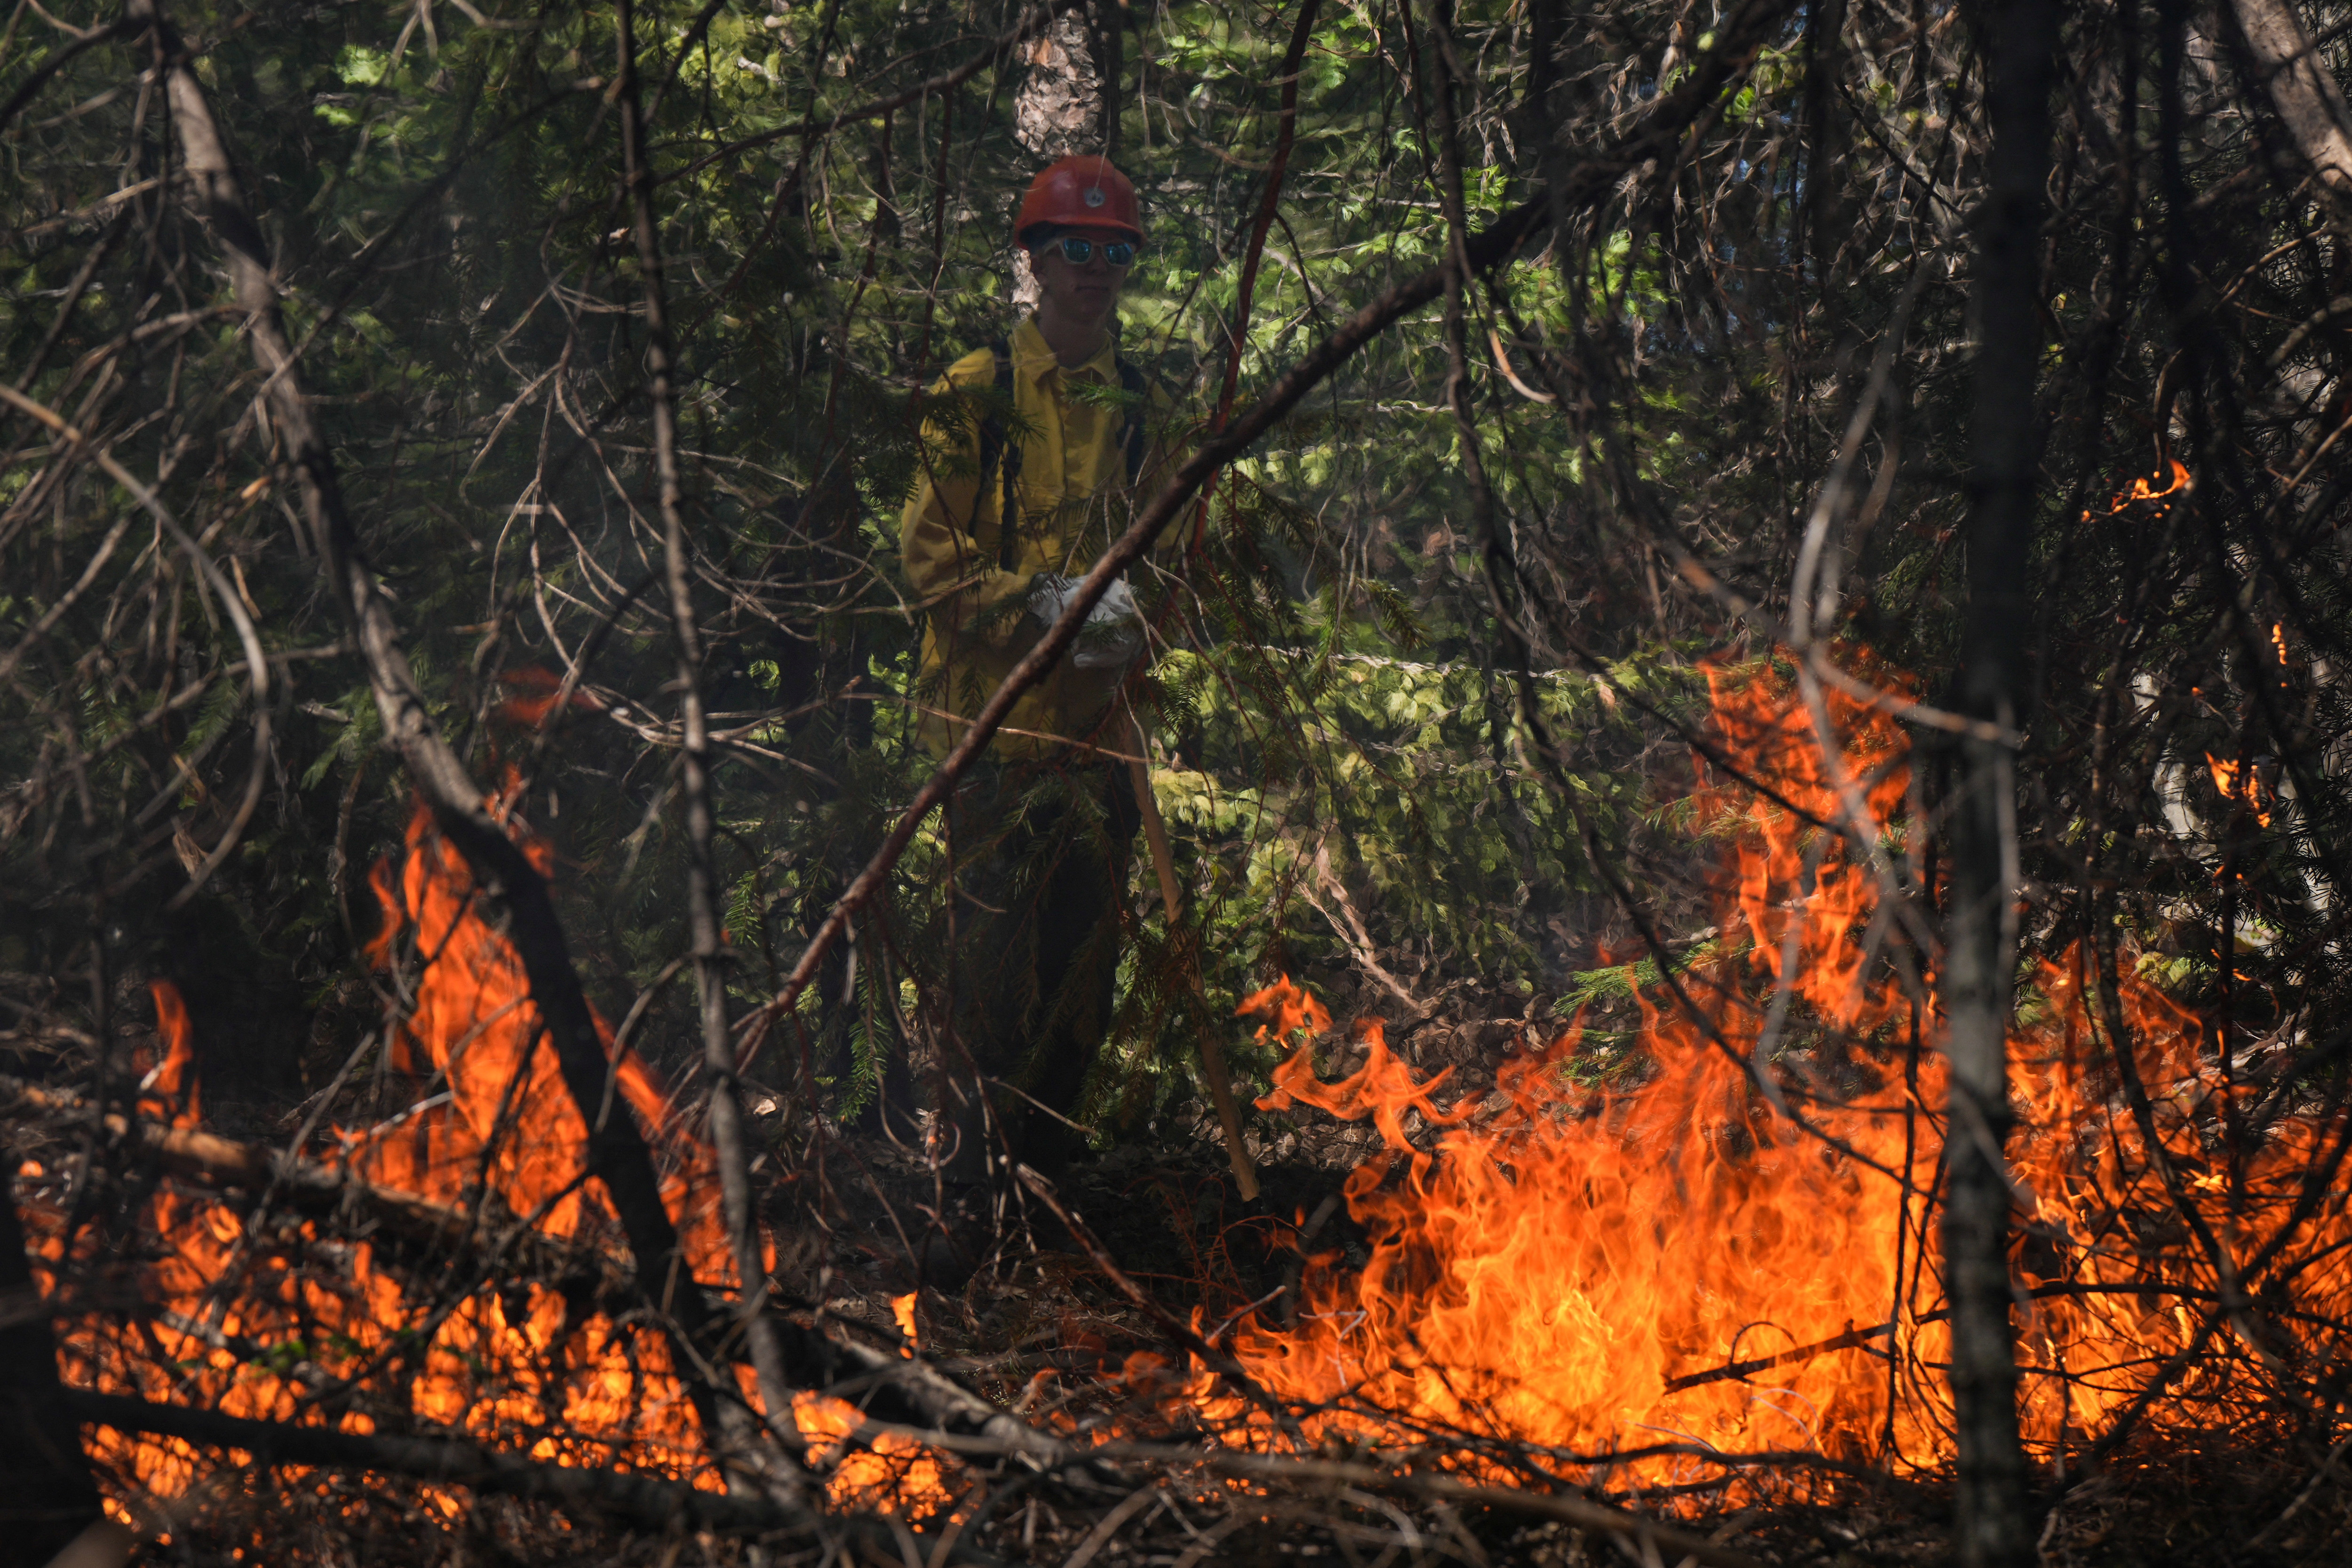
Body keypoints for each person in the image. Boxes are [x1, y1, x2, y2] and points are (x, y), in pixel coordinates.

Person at [898, 155, 1178, 1216]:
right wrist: (1043, 606)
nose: (1092, 271)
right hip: (992, 739)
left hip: (1101, 739)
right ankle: (964, 1200)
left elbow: (1178, 552)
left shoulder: (1143, 403)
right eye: (1072, 249)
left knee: (1081, 983)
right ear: (1034, 260)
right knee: (987, 977)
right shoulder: (976, 393)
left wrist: (1140, 617)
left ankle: (1046, 1197)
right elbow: (929, 560)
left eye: (1114, 251)